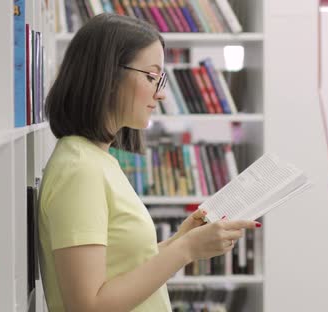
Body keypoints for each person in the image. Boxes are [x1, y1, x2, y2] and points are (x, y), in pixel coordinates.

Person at [38, 13, 260, 312]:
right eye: (151, 76)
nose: (161, 92)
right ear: (108, 76)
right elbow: (87, 305)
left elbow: (120, 269)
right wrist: (185, 250)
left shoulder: (96, 159)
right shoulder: (80, 169)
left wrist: (181, 241)